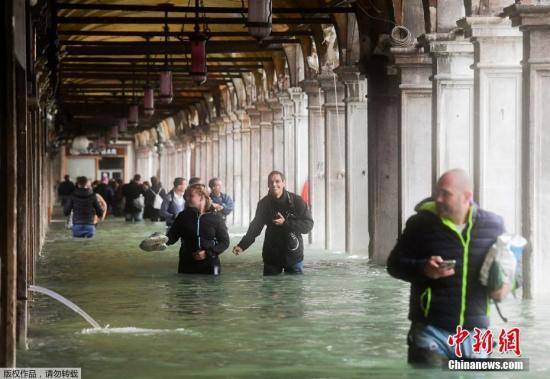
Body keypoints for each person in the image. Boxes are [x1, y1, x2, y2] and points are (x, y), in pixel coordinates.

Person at [387, 169, 508, 366]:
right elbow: (394, 265)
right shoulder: (420, 224)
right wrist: (423, 269)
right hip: (430, 332)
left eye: (446, 194)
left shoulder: (493, 226)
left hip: (475, 335)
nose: (438, 199)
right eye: (437, 193)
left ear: (467, 196)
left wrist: (503, 288)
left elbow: (511, 270)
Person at [233, 171, 314, 275]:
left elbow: (308, 225)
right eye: (271, 182)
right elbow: (255, 228)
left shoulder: (297, 201)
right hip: (272, 255)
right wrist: (242, 245)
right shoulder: (264, 204)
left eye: (277, 181)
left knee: (294, 289)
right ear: (268, 185)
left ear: (283, 183)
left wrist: (286, 223)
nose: (274, 184)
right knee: (269, 289)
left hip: (293, 255)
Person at [167, 184, 230, 275]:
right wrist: (160, 241)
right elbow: (172, 237)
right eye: (186, 196)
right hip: (187, 263)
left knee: (212, 289)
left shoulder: (216, 217)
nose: (187, 198)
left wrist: (207, 253)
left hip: (210, 265)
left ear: (202, 197)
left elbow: (224, 242)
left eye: (191, 196)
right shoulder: (183, 216)